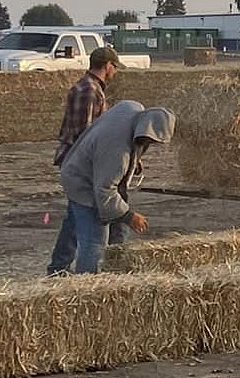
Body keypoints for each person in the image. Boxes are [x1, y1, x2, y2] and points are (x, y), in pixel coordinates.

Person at [56, 101, 176, 274]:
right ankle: (87, 285)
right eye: (148, 140)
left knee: (73, 226)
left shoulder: (131, 108)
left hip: (77, 167)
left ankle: (57, 270)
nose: (148, 144)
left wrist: (133, 163)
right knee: (95, 243)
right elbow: (105, 190)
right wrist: (129, 216)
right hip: (83, 183)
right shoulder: (118, 151)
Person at [47, 47, 127, 275]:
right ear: (107, 66)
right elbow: (87, 135)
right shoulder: (90, 91)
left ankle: (58, 268)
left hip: (75, 160)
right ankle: (81, 273)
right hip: (80, 163)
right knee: (91, 220)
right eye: (115, 68)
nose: (115, 73)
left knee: (74, 217)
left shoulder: (86, 86)